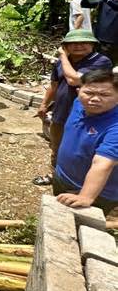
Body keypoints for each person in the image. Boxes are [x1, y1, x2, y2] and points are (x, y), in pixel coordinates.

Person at [34, 30, 112, 185]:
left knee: (82, 150)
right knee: (57, 146)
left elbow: (74, 80)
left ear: (92, 45)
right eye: (73, 43)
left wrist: (62, 56)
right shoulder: (61, 63)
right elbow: (54, 85)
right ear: (66, 46)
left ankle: (84, 182)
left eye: (84, 42)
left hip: (86, 116)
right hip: (61, 111)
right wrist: (44, 104)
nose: (79, 46)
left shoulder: (100, 62)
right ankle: (55, 175)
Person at [54, 69, 118, 215]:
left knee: (80, 230)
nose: (95, 99)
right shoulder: (79, 103)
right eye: (89, 93)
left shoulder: (115, 126)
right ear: (78, 91)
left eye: (104, 95)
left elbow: (102, 164)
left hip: (96, 192)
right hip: (63, 177)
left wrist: (85, 196)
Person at [81, 0, 118, 64]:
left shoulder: (106, 0)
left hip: (114, 42)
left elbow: (116, 7)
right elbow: (86, 5)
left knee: (108, 67)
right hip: (99, 40)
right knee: (96, 65)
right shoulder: (105, 0)